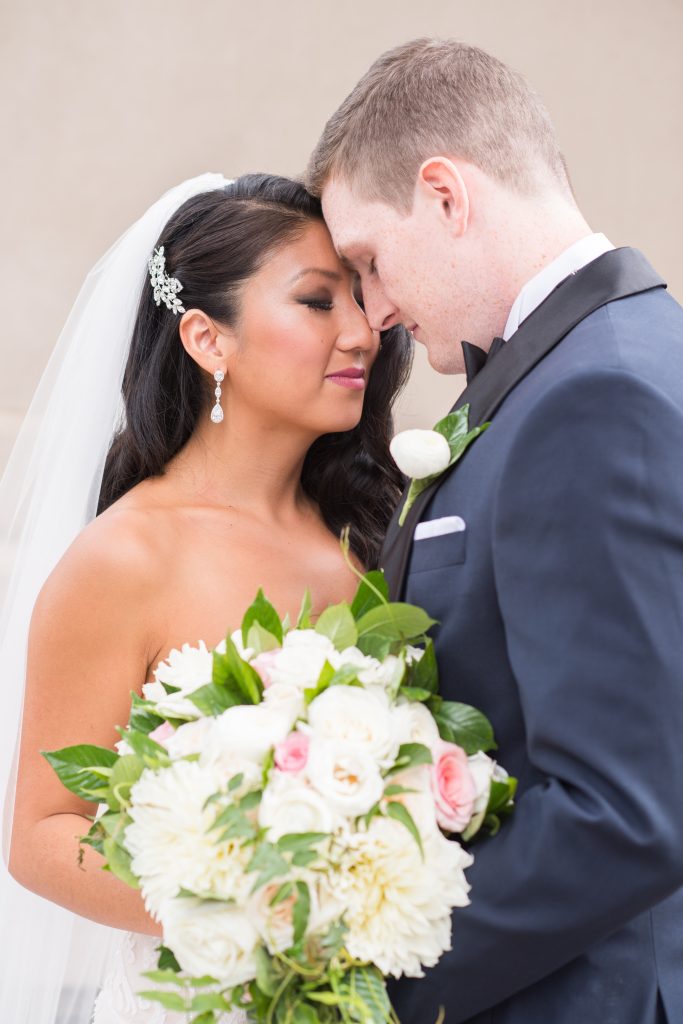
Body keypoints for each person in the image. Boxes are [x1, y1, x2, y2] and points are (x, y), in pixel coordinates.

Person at [309, 37, 683, 1024]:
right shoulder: (593, 358)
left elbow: (624, 812)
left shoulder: (589, 395)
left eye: (367, 261)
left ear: (444, 195)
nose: (376, 309)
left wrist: (362, 983)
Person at [0, 172, 411, 1023]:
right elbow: (42, 836)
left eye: (360, 299)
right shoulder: (127, 555)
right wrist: (258, 914)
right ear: (206, 339)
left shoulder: (372, 541)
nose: (362, 331)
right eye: (315, 301)